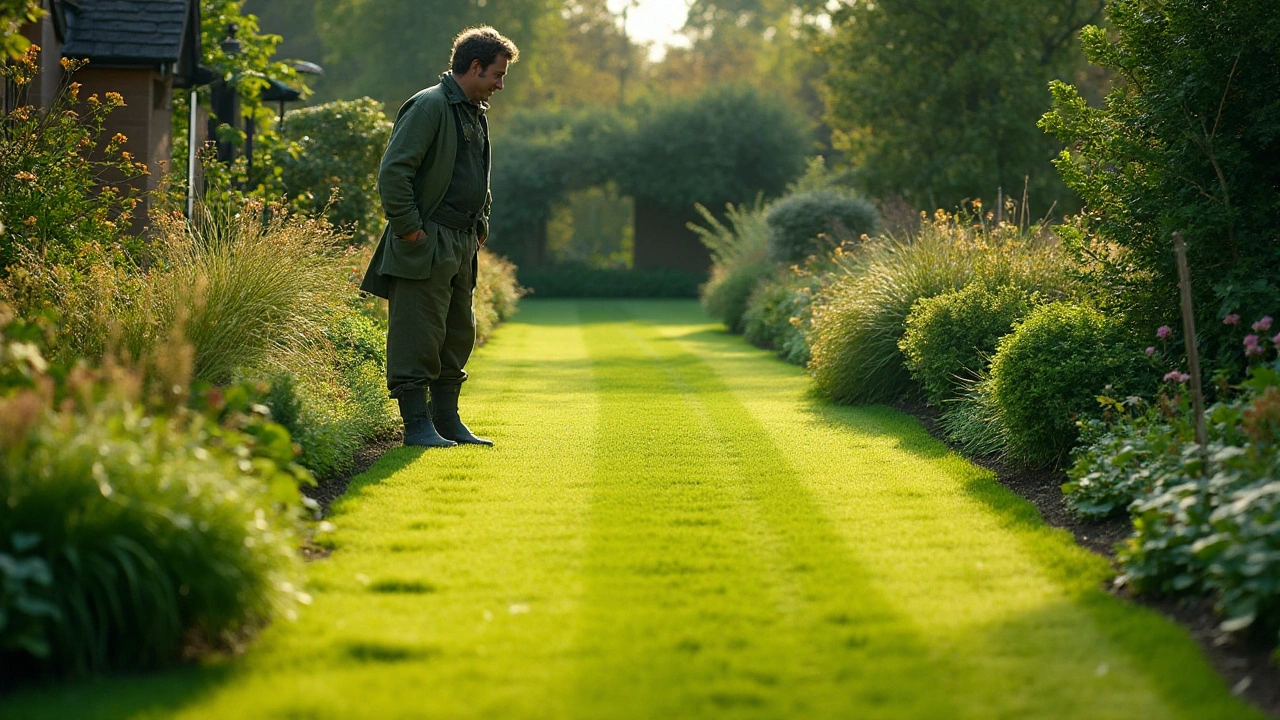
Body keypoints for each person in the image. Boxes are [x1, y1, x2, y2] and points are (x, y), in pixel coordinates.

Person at [359, 26, 518, 448]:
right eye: (496, 75)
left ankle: (447, 421)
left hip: (461, 242)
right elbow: (395, 172)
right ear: (473, 66)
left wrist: (479, 224)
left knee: (455, 334)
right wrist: (411, 229)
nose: (500, 85)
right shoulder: (429, 105)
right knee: (417, 334)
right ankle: (417, 427)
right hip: (426, 241)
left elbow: (477, 177)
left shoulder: (473, 109)